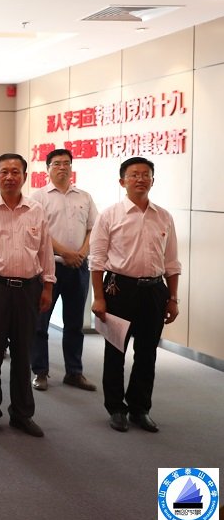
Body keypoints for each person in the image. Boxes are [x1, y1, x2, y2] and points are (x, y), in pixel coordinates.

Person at [0, 154, 55, 438]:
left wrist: (48, 287)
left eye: (16, 172)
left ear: (24, 177)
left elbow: (46, 252)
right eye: (4, 172)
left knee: (23, 354)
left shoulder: (36, 210)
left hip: (28, 290)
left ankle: (22, 414)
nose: (9, 177)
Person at [90, 157, 180, 433]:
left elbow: (171, 262)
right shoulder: (110, 215)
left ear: (153, 180)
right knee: (115, 351)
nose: (140, 179)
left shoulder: (163, 216)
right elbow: (97, 260)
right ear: (122, 181)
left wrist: (173, 298)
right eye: (134, 175)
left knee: (147, 352)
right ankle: (116, 408)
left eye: (145, 174)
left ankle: (140, 408)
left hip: (154, 291)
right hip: (119, 290)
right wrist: (99, 297)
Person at [30, 148, 99, 392]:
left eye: (66, 163)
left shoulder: (84, 197)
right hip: (48, 267)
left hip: (78, 267)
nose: (62, 167)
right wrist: (65, 253)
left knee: (74, 323)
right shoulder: (38, 197)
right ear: (47, 168)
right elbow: (38, 232)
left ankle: (74, 372)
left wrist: (82, 252)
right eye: (57, 163)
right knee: (40, 322)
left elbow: (93, 228)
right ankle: (40, 371)